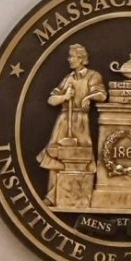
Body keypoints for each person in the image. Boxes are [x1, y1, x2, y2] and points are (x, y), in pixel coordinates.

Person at [35, 43, 107, 205]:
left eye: (71, 57)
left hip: (80, 122)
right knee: (55, 156)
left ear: (81, 59)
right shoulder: (68, 79)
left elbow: (102, 95)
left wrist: (88, 97)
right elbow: (51, 100)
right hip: (64, 121)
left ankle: (82, 196)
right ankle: (51, 197)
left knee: (82, 157)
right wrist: (65, 97)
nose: (69, 60)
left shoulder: (93, 76)